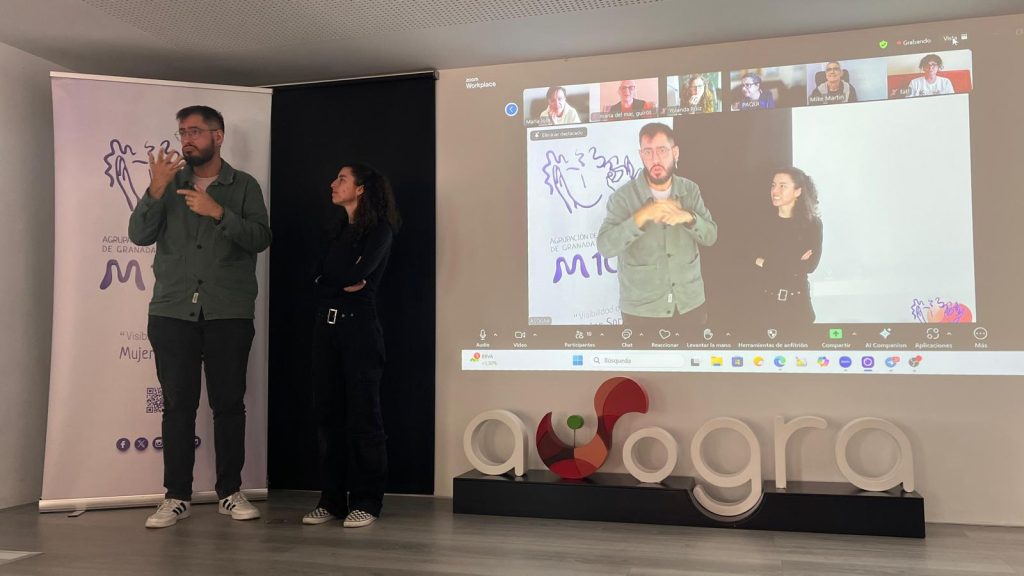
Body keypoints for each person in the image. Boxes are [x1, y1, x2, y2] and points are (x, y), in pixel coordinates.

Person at [129, 105, 272, 529]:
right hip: (172, 311)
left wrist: (218, 213)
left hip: (228, 311)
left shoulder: (243, 186)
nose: (186, 139)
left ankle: (230, 491)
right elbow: (139, 234)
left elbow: (261, 238)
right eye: (182, 132)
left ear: (218, 136)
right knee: (178, 406)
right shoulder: (168, 184)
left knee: (228, 404)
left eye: (194, 131)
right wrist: (155, 190)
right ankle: (176, 496)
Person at [302, 163, 401, 528]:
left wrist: (338, 280)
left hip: (359, 331)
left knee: (364, 417)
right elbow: (316, 277)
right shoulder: (335, 229)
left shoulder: (380, 230)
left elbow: (354, 275)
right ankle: (331, 500)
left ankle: (366, 501)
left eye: (341, 179)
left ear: (361, 189)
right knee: (327, 417)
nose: (333, 183)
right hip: (325, 331)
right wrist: (336, 282)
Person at [596, 123, 717, 329]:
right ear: (641, 155)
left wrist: (688, 217)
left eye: (662, 150)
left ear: (675, 152)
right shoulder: (622, 197)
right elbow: (605, 247)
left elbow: (711, 236)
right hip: (643, 311)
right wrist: (641, 216)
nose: (655, 159)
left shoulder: (690, 190)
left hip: (689, 304)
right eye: (648, 152)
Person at [752, 167, 823, 328]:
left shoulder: (812, 225)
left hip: (798, 306)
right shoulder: (761, 223)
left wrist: (765, 262)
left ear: (798, 191)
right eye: (773, 185)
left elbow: (809, 266)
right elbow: (750, 258)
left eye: (782, 186)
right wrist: (794, 261)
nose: (775, 191)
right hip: (765, 305)